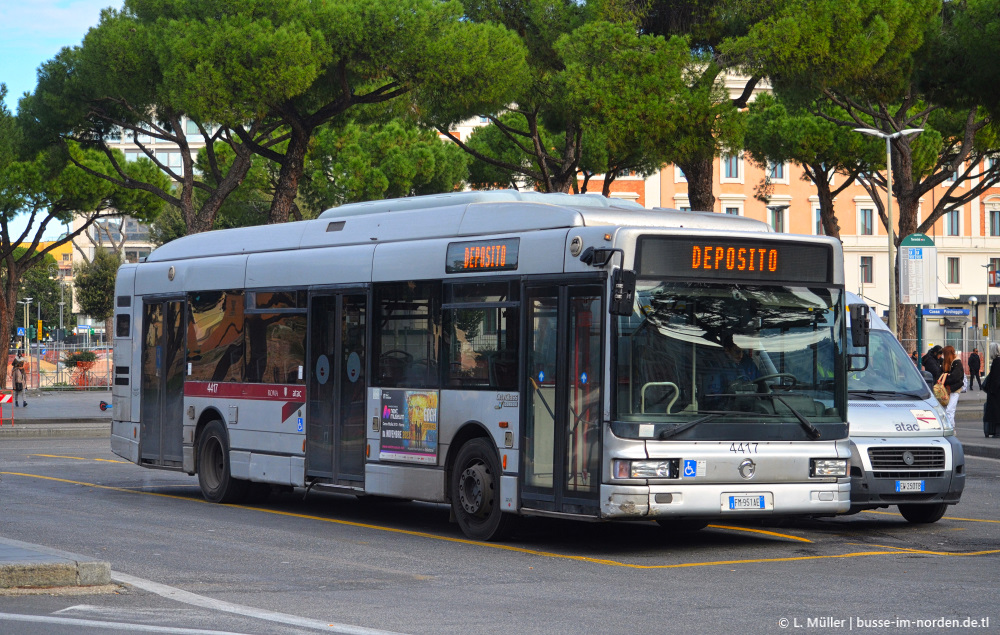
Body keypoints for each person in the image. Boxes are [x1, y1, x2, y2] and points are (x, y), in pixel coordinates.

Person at [938, 345, 964, 430]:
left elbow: (956, 377)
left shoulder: (957, 363)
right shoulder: (949, 362)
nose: (943, 356)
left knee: (949, 409)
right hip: (949, 389)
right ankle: (949, 427)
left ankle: (950, 428)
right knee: (947, 409)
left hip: (954, 389)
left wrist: (945, 379)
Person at [982, 343, 1000, 438]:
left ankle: (997, 432)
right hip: (997, 392)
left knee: (995, 412)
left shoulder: (996, 362)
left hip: (996, 393)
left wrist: (991, 390)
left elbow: (995, 378)